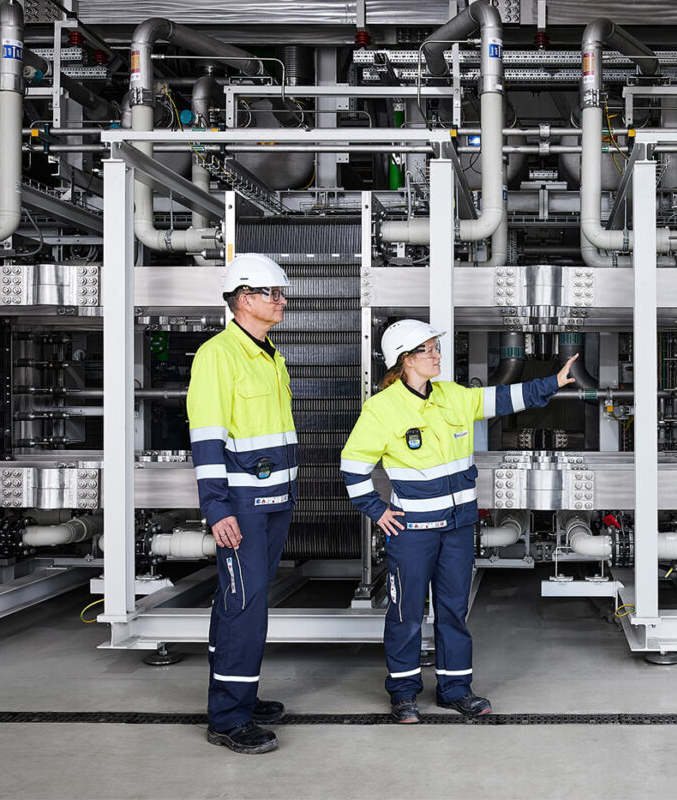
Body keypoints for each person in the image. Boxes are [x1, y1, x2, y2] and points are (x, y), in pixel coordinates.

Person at [340, 320, 578, 723]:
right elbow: (352, 466)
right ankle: (403, 694)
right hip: (413, 532)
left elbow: (503, 399)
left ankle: (455, 689)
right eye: (428, 350)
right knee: (406, 613)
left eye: (436, 347)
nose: (437, 355)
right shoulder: (381, 409)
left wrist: (550, 383)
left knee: (452, 610)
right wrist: (377, 511)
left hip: (457, 528)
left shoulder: (452, 396)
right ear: (405, 359)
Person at [187, 253, 298, 754]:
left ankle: (239, 694)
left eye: (281, 293)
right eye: (272, 293)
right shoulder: (218, 355)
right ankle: (228, 718)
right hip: (243, 506)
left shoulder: (269, 354)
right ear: (244, 299)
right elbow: (208, 439)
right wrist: (217, 508)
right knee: (243, 605)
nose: (282, 301)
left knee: (244, 601)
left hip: (276, 502)